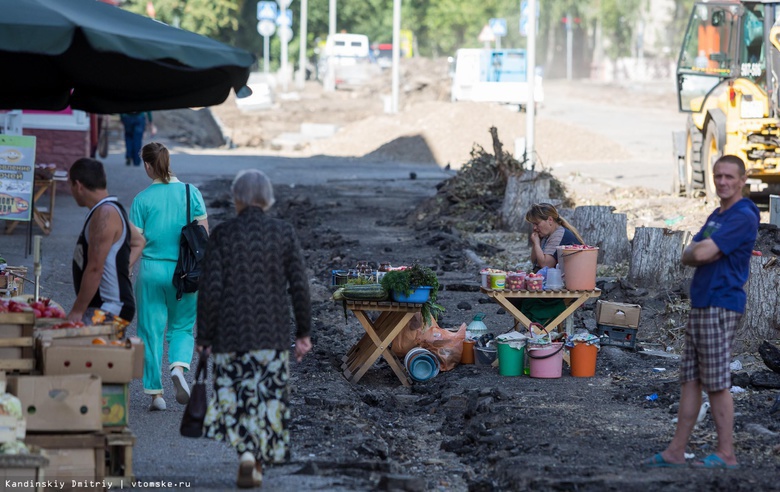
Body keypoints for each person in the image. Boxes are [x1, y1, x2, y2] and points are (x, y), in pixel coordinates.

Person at [196, 169, 312, 488]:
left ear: (237, 198)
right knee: (267, 397)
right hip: (272, 334)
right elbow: (300, 286)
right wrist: (303, 333)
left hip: (229, 334)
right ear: (268, 198)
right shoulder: (283, 232)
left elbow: (211, 289)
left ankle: (246, 454)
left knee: (236, 395)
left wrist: (204, 336)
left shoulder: (223, 234)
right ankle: (257, 458)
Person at [642, 155, 759, 469]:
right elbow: (688, 253)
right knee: (690, 380)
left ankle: (726, 454)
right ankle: (676, 451)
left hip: (721, 304)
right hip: (702, 304)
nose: (723, 182)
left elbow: (702, 250)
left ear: (742, 179)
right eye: (718, 175)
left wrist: (699, 251)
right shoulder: (717, 215)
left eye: (729, 177)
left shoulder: (743, 214)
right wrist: (698, 252)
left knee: (717, 381)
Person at [130, 142, 209, 412]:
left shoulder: (142, 199)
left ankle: (156, 395)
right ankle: (178, 366)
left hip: (151, 271)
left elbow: (135, 241)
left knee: (150, 332)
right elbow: (202, 236)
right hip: (185, 272)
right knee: (183, 327)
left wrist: (126, 267)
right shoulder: (191, 192)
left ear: (148, 165)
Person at [67, 157, 145, 327]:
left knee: (85, 350)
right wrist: (121, 269)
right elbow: (139, 241)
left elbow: (95, 268)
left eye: (70, 185)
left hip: (109, 308)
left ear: (78, 185)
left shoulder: (105, 214)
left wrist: (77, 310)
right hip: (106, 306)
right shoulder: (108, 209)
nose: (70, 191)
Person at [525, 203, 584, 271]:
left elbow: (545, 265)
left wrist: (537, 244)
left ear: (550, 220)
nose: (534, 228)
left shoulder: (558, 235)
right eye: (533, 224)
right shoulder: (547, 234)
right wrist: (535, 244)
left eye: (537, 224)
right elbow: (535, 261)